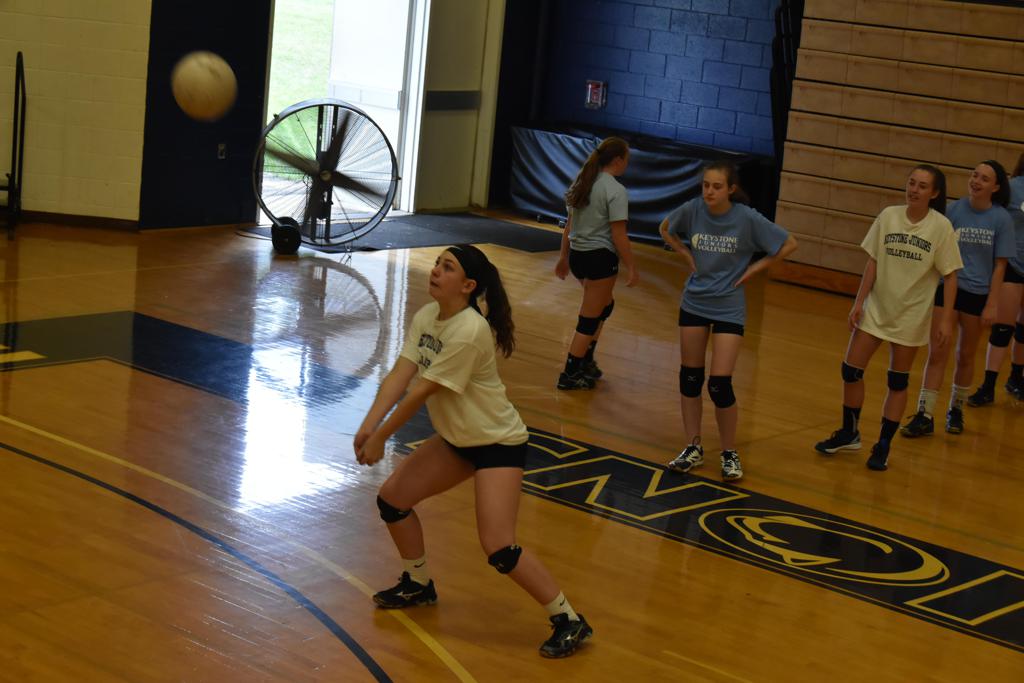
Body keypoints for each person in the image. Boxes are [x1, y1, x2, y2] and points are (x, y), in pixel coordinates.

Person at [354, 245, 592, 659]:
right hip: (457, 441)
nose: (436, 271)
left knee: (498, 547)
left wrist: (382, 438)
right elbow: (400, 375)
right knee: (393, 501)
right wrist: (368, 425)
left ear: (467, 286)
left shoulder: (468, 330)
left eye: (447, 268)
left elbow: (420, 392)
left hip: (497, 444)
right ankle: (418, 583)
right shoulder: (428, 317)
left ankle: (569, 619)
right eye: (437, 264)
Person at [814, 165, 962, 470]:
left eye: (922, 186)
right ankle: (849, 432)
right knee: (850, 371)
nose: (914, 190)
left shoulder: (941, 227)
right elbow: (873, 262)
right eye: (911, 183)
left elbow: (950, 276)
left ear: (934, 193)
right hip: (876, 309)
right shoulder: (888, 216)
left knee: (897, 381)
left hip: (910, 316)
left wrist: (947, 319)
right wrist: (858, 302)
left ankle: (883, 445)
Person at [661, 161, 797, 481]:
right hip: (694, 302)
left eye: (717, 186)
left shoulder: (746, 218)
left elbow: (789, 243)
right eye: (706, 185)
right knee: (690, 378)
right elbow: (665, 228)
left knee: (720, 384)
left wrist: (755, 268)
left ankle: (729, 453)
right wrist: (685, 254)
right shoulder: (693, 210)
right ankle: (692, 447)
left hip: (728, 307)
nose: (709, 191)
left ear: (731, 189)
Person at [900, 161, 1014, 437]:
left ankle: (956, 409)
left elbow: (1000, 266)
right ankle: (925, 414)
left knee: (965, 355)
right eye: (975, 175)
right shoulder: (953, 211)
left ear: (995, 187)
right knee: (938, 351)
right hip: (947, 288)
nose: (976, 181)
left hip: (977, 294)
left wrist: (992, 303)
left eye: (984, 178)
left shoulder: (1001, 219)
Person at [554, 136, 639, 390]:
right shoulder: (615, 190)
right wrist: (632, 266)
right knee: (589, 319)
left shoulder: (583, 182)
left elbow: (569, 226)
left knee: (605, 305)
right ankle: (570, 373)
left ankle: (586, 359)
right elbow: (618, 234)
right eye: (627, 159)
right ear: (618, 160)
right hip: (599, 258)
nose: (627, 164)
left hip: (578, 257)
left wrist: (563, 257)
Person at [965, 153, 1024, 405]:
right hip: (1012, 264)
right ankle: (988, 386)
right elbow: (992, 216)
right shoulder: (1013, 187)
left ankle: (1016, 379)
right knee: (1003, 327)